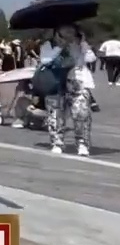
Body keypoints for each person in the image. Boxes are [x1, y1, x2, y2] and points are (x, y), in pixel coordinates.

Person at [41, 25, 94, 156]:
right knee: (55, 115)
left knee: (81, 114)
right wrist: (60, 47)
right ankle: (57, 142)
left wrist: (83, 44)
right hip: (55, 83)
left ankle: (82, 143)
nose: (69, 35)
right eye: (65, 32)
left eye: (71, 32)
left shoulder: (79, 45)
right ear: (57, 33)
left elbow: (91, 58)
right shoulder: (49, 45)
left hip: (78, 82)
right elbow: (45, 60)